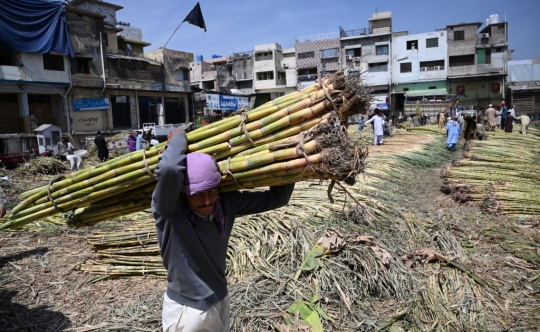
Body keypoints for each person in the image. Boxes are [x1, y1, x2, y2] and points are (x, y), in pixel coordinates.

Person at [152, 130, 295, 331]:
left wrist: (287, 155)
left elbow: (277, 199)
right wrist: (178, 139)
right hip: (187, 308)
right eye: (198, 194)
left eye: (212, 189)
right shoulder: (171, 211)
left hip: (220, 298)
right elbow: (168, 169)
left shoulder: (225, 204)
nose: (207, 200)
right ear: (183, 193)